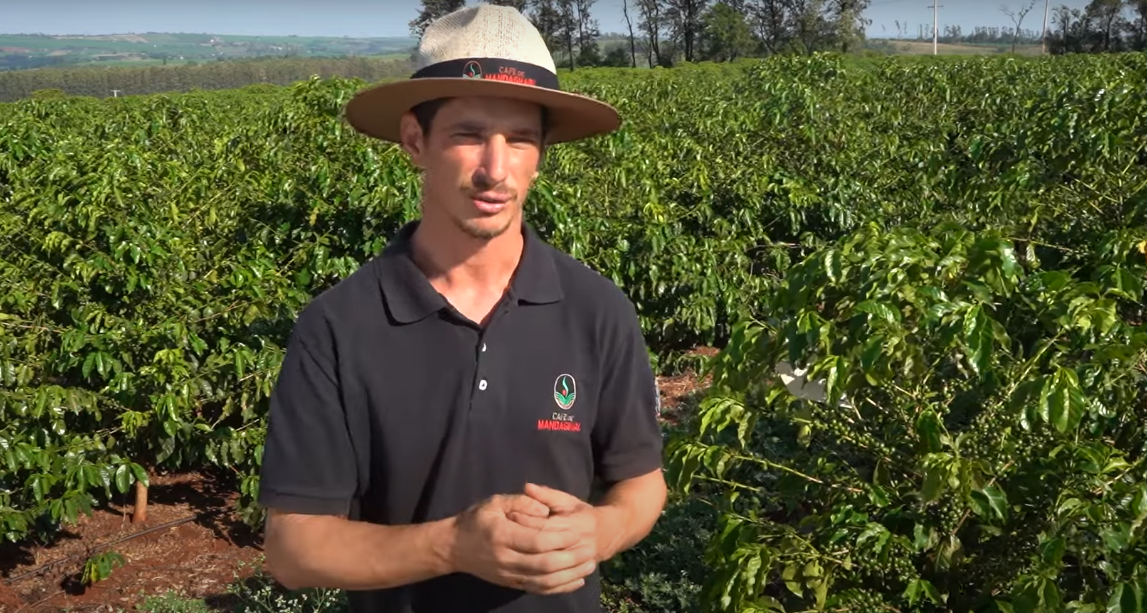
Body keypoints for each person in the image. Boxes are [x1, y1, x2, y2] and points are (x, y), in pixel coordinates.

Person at [255, 4, 668, 613]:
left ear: (541, 153)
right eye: (469, 135)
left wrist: (601, 531)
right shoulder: (340, 325)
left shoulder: (596, 308)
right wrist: (453, 545)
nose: (495, 170)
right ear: (416, 142)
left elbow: (641, 481)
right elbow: (293, 548)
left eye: (520, 139)